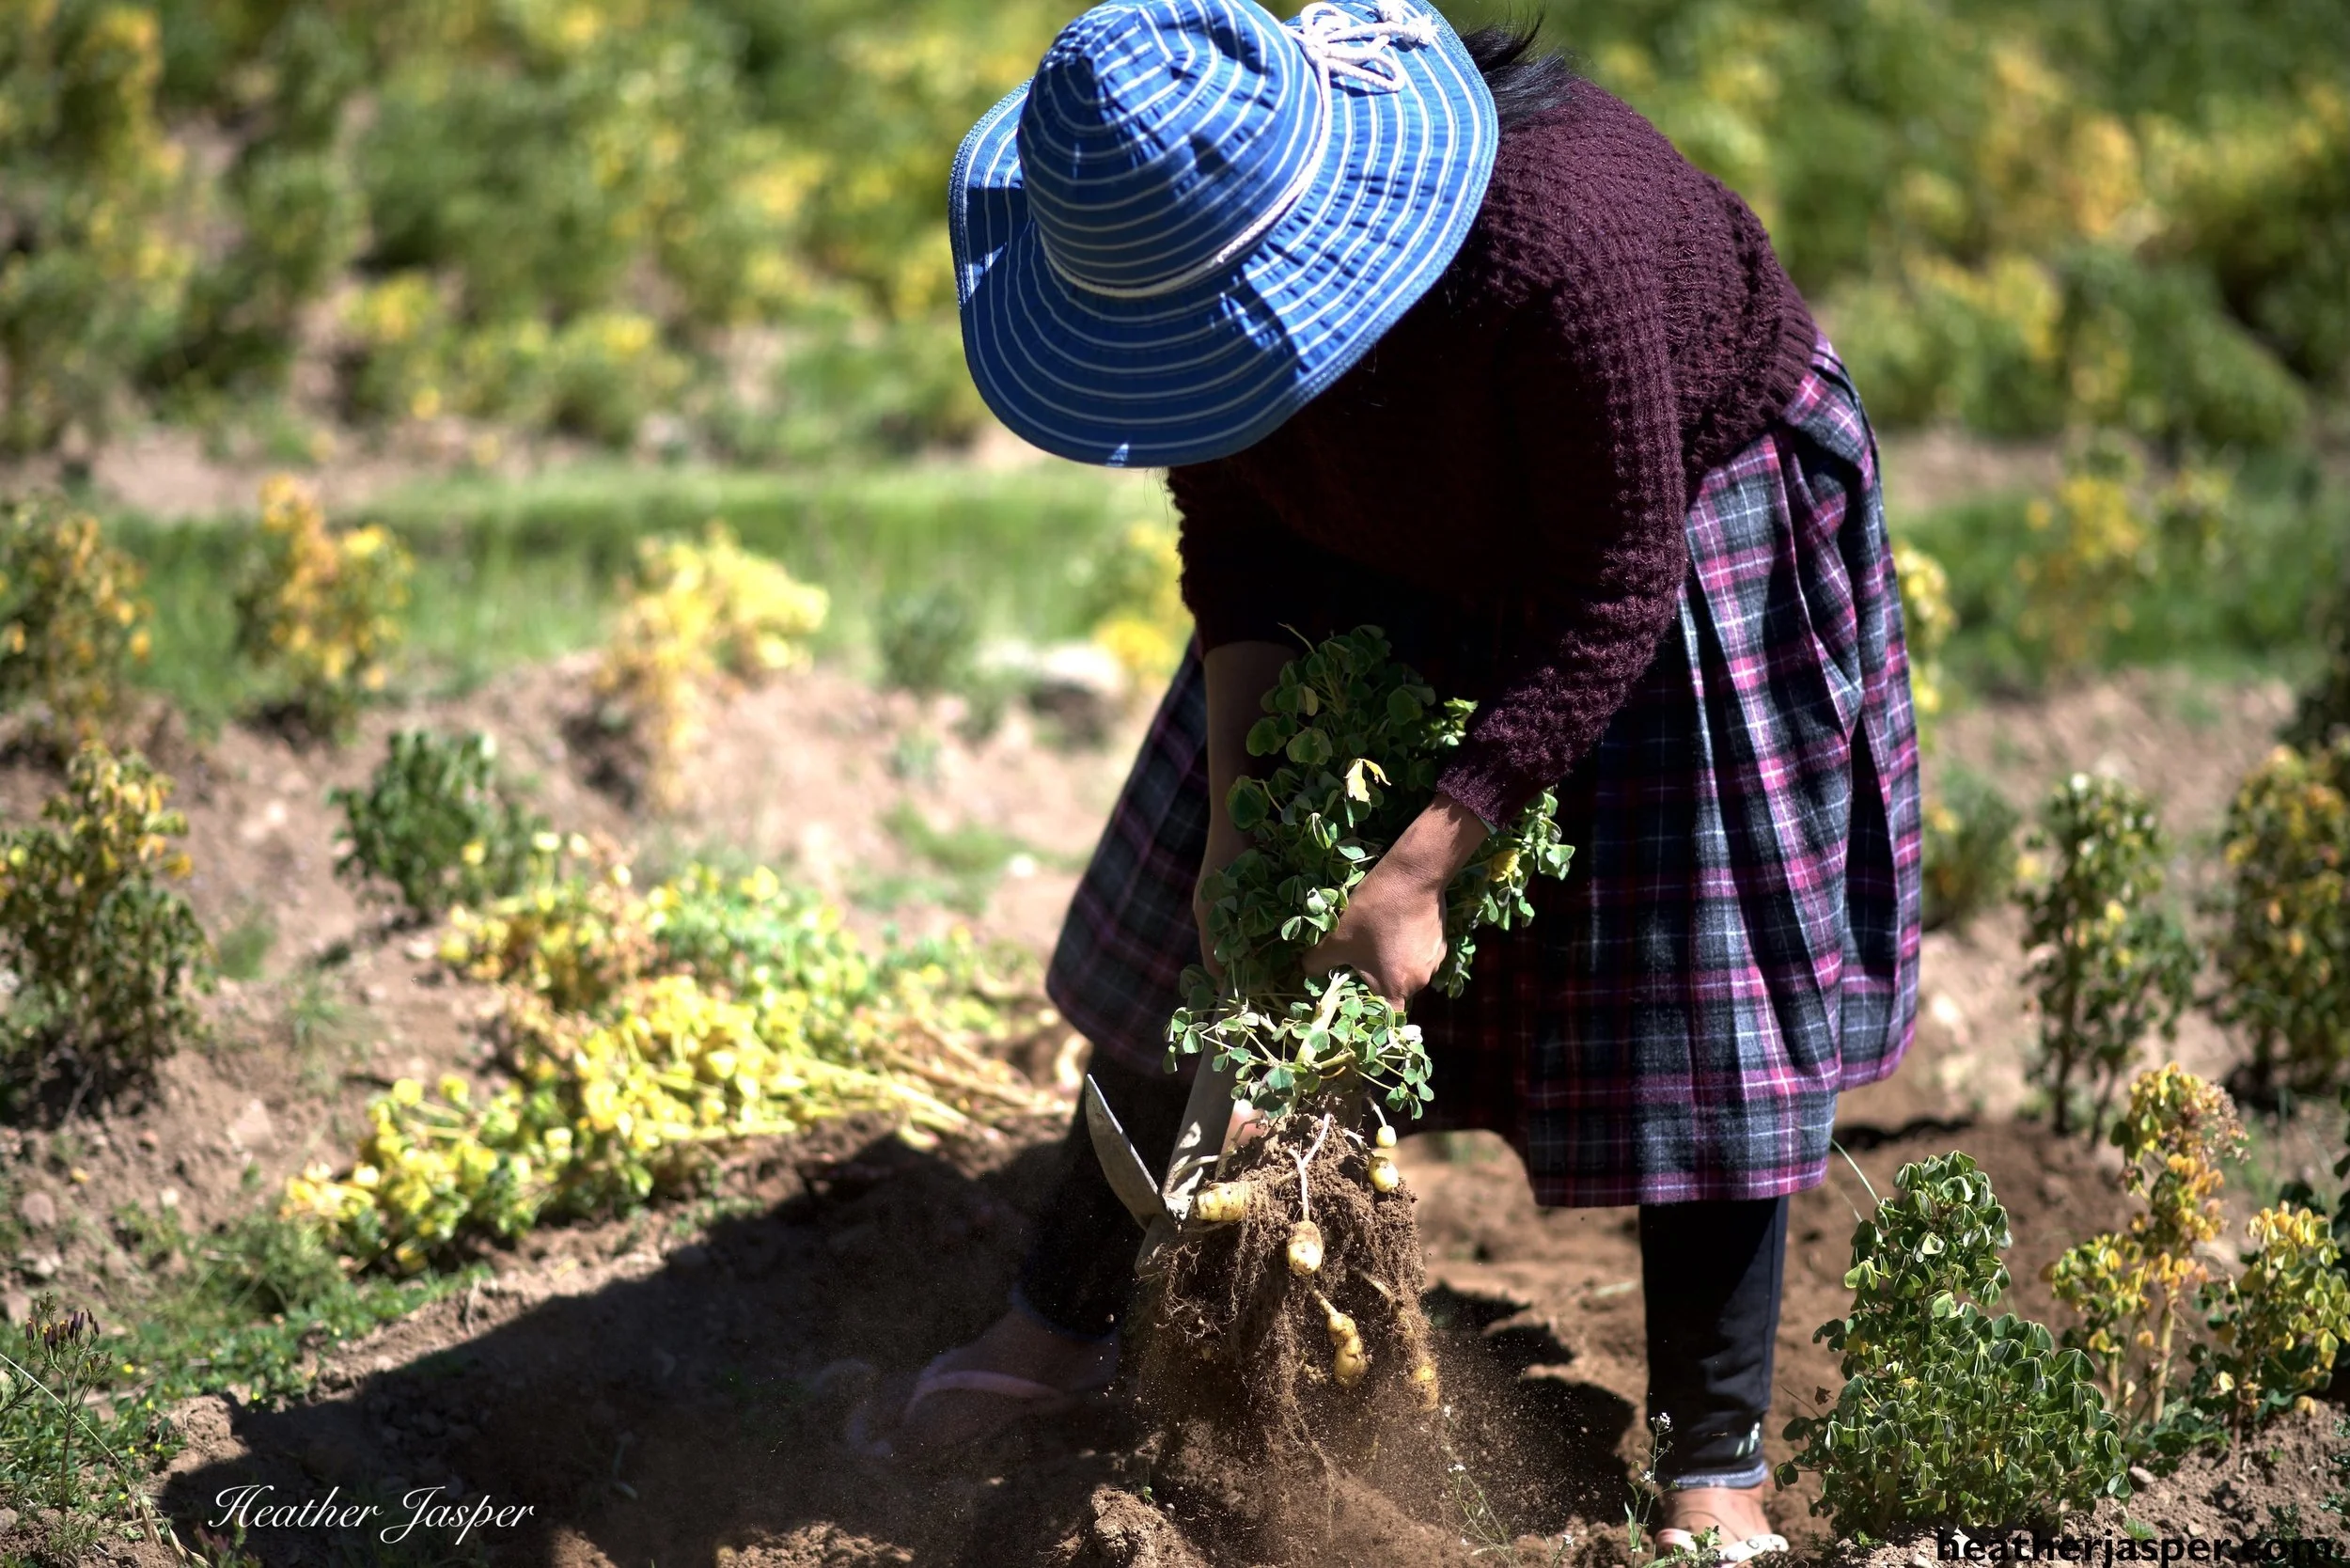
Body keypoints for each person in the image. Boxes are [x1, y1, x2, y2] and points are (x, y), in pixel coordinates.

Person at [854, 0, 1921, 1558]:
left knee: (1696, 1000)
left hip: (1669, 527)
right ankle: (1059, 1313)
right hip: (1399, 521)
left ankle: (1717, 1458)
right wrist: (1236, 820)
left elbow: (1615, 584)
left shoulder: (1562, 249)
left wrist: (1426, 864)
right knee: (1184, 937)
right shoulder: (1201, 298)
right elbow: (1237, 534)